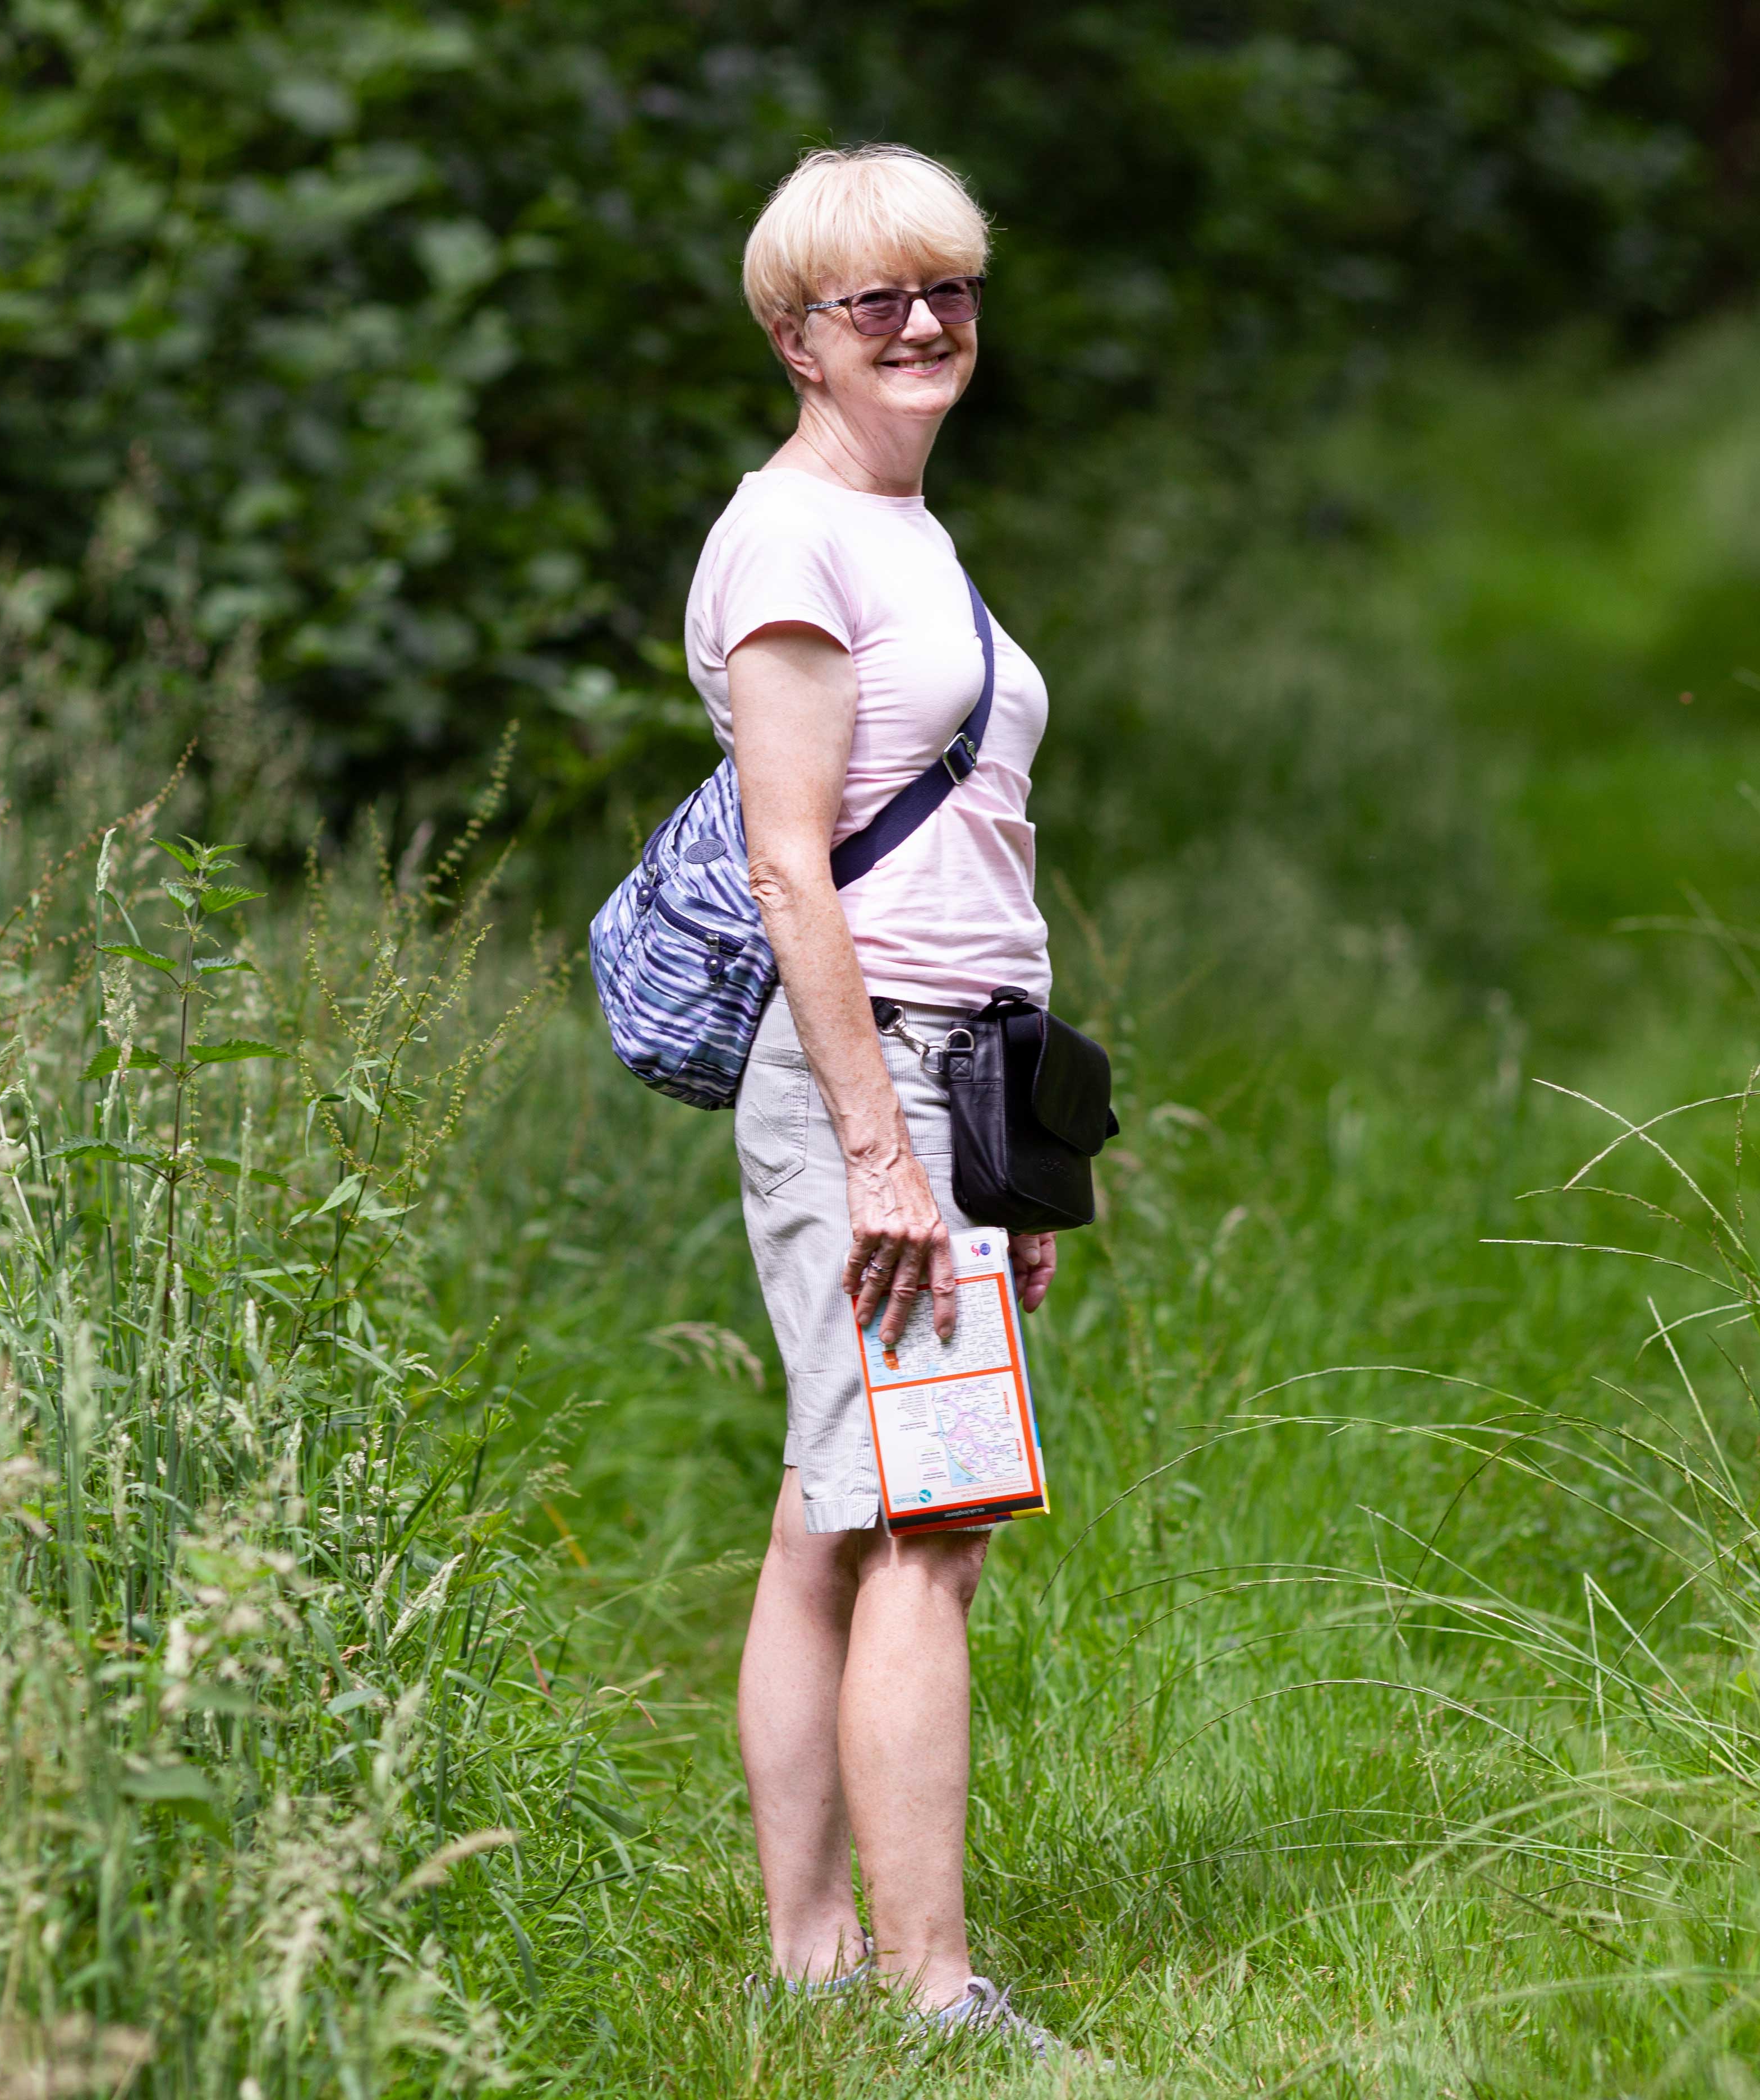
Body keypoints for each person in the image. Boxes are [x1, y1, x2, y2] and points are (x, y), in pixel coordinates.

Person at [685, 143, 1070, 2056]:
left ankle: (818, 1964)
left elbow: (973, 855)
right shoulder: (792, 543)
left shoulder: (908, 526)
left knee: (839, 1511)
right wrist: (883, 1154)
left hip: (962, 1077)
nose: (924, 325)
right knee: (933, 1522)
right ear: (795, 339)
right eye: (876, 303)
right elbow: (789, 869)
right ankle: (929, 1995)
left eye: (951, 291)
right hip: (877, 1076)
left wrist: (1022, 1171)